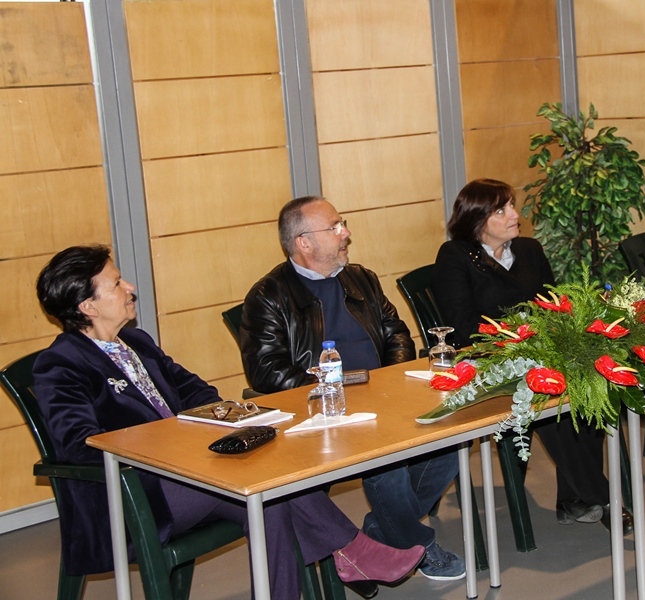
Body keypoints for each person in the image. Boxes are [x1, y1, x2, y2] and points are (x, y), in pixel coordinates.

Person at [32, 245, 425, 600]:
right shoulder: (61, 363)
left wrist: (227, 420)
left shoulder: (138, 343)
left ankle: (350, 556)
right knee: (263, 479)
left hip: (189, 470)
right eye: (116, 283)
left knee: (270, 496)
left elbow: (198, 392)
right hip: (134, 492)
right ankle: (355, 552)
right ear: (88, 306)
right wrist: (174, 441)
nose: (129, 287)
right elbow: (78, 443)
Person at [239, 197, 465, 581]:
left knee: (449, 440)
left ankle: (378, 535)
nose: (346, 234)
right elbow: (266, 372)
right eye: (335, 227)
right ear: (304, 243)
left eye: (343, 224)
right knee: (388, 463)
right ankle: (419, 545)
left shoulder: (362, 277)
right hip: (322, 410)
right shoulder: (268, 296)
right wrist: (334, 390)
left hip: (383, 397)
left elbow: (397, 336)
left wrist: (391, 385)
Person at [431, 178, 633, 535]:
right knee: (547, 398)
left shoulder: (529, 249)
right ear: (478, 221)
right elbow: (462, 327)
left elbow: (553, 306)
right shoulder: (456, 257)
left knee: (591, 385)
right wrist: (519, 336)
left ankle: (576, 498)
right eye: (503, 209)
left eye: (512, 205)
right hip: (489, 360)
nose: (515, 214)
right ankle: (603, 497)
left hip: (541, 349)